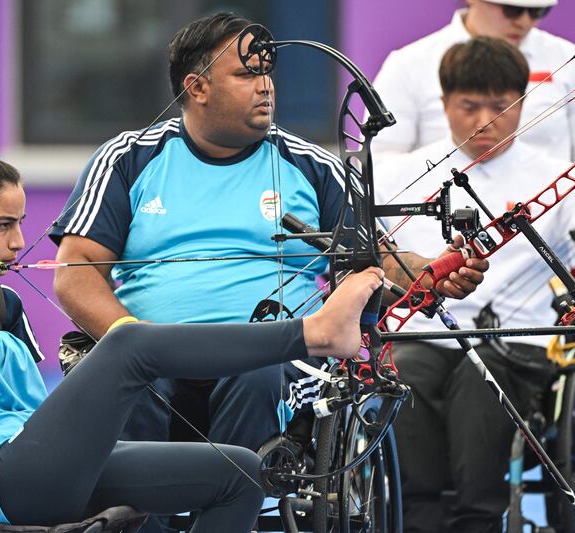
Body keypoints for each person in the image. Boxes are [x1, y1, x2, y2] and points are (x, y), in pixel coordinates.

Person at [0, 148, 388, 532]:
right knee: (129, 344)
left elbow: (34, 412)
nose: (20, 242)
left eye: (21, 223)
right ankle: (315, 332)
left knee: (240, 472)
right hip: (0, 483)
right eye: (2, 225)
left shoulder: (3, 302)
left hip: (47, 469)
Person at [50, 11, 488, 467]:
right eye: (245, 74)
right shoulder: (127, 158)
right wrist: (137, 344)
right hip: (154, 357)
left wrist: (432, 270)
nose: (266, 86)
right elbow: (75, 275)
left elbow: (379, 258)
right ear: (195, 87)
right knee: (125, 383)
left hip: (272, 359)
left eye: (267, 73)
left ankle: (232, 508)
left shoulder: (313, 166)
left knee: (255, 377)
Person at [375, 37, 575, 532]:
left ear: (523, 103)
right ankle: (416, 518)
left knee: (479, 378)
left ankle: (478, 520)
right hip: (426, 338)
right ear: (443, 105)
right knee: (401, 374)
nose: (485, 120)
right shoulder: (401, 174)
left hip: (519, 347)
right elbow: (369, 258)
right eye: (469, 105)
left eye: (500, 105)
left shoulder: (561, 179)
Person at [372, 0, 575, 173]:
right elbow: (382, 165)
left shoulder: (569, 58)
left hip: (550, 223)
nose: (525, 22)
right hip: (440, 222)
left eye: (538, 11)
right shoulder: (408, 64)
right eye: (513, 9)